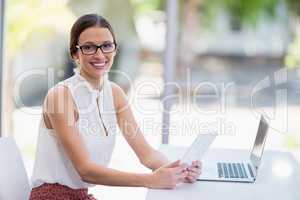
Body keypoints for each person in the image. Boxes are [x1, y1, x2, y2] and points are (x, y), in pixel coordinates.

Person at [29, 14, 201, 200]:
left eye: (106, 45)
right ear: (75, 54)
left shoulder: (115, 94)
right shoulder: (61, 96)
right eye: (88, 48)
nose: (100, 55)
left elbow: (147, 155)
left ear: (114, 49)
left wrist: (178, 170)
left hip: (81, 196)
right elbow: (86, 170)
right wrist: (151, 179)